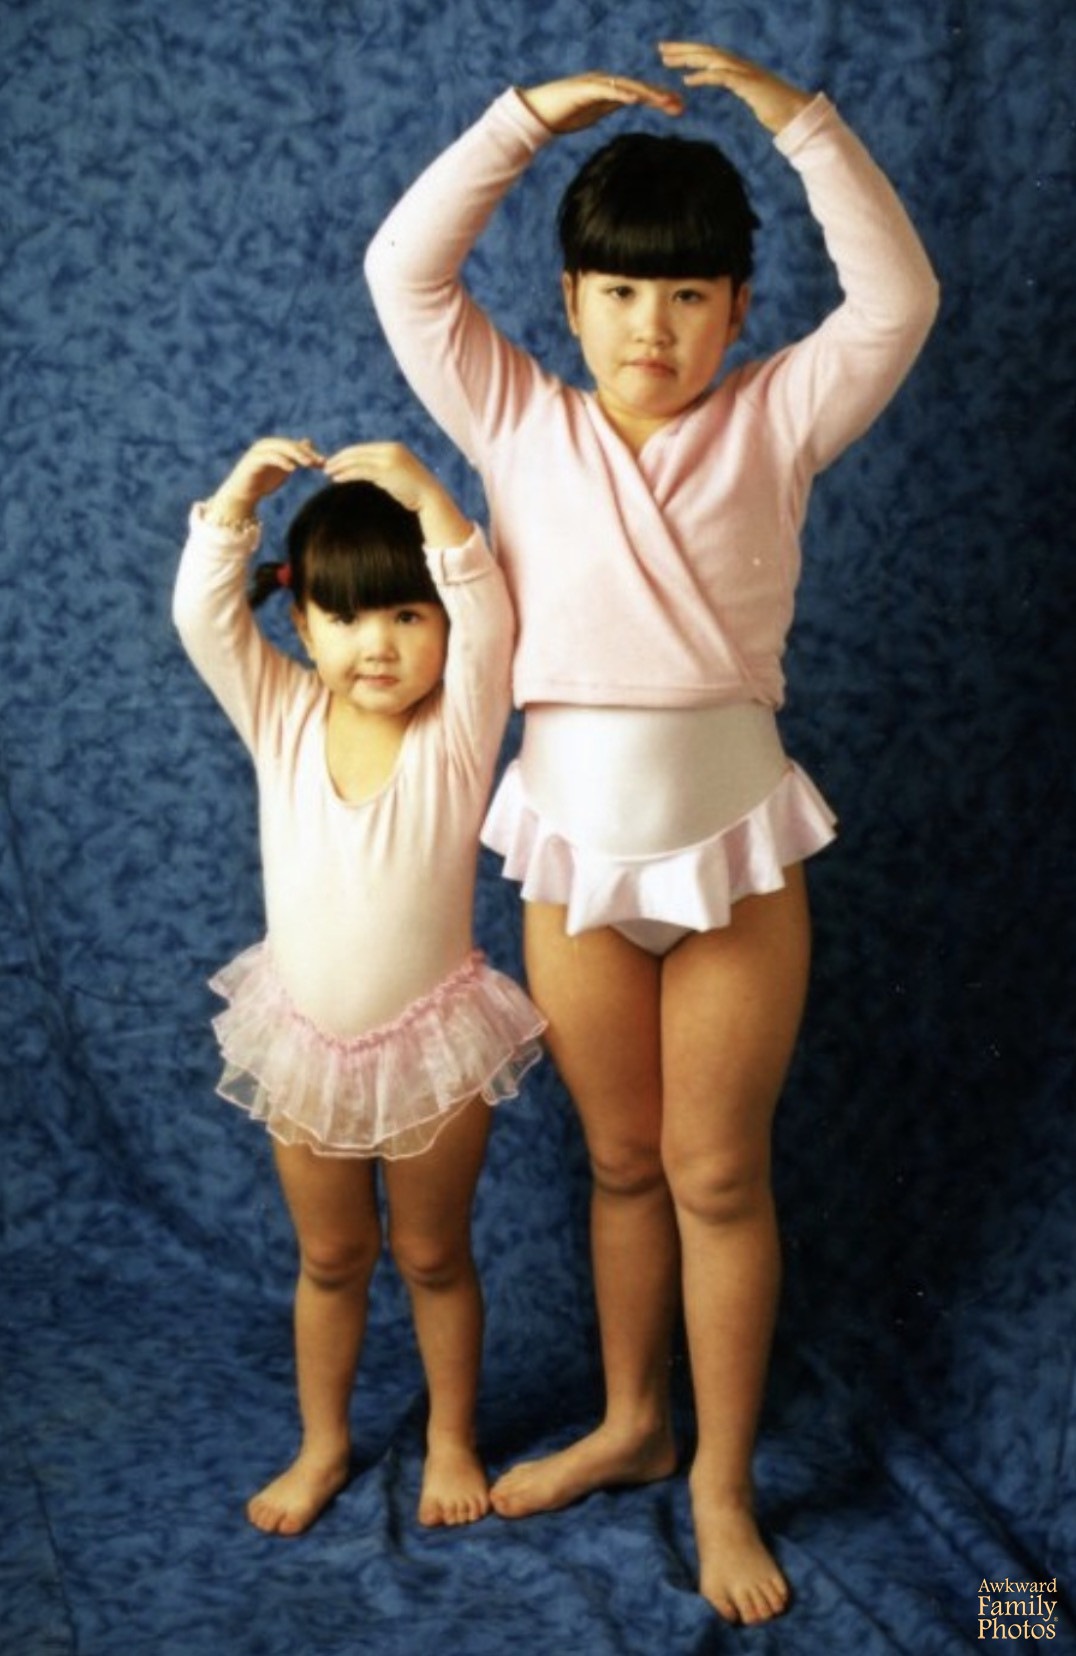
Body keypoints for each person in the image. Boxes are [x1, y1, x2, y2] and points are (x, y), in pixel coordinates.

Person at [364, 40, 939, 1624]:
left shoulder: (780, 419)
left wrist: (804, 125)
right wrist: (518, 122)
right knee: (622, 1160)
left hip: (735, 850)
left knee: (716, 1172)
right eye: (620, 292)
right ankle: (634, 1422)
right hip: (573, 855)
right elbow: (404, 273)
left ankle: (721, 1483)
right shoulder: (516, 419)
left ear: (740, 312)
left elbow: (899, 302)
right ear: (569, 301)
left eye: (688, 295)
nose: (652, 326)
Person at [173, 436, 545, 1536]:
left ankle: (451, 1437)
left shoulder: (459, 728)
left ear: (442, 629)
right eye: (343, 618)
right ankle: (323, 1443)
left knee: (431, 1253)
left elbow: (491, 620)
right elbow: (203, 619)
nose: (374, 645)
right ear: (300, 623)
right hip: (305, 1037)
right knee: (331, 1256)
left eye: (406, 616)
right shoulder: (282, 714)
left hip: (434, 1041)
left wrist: (428, 498)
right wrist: (235, 502)